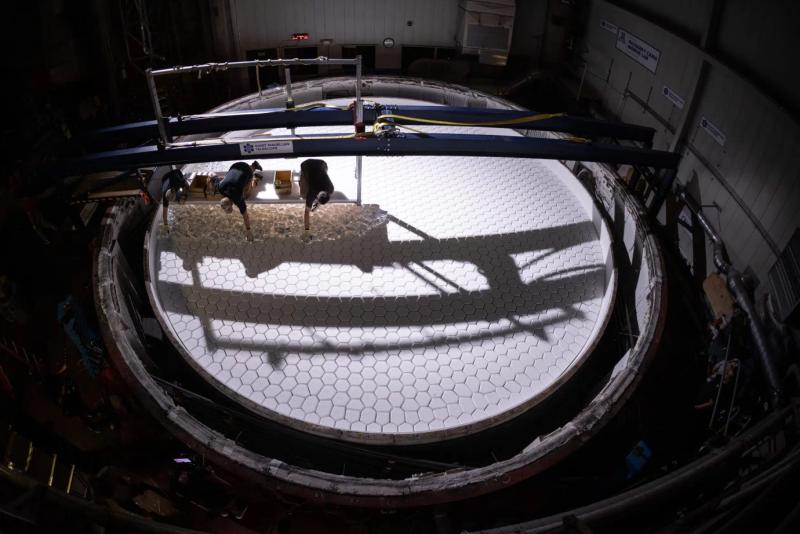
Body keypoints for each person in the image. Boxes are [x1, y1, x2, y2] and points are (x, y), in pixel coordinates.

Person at [208, 161, 262, 241]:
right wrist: (210, 185)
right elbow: (211, 176)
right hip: (235, 166)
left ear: (232, 203)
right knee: (237, 176)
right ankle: (254, 165)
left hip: (247, 171)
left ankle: (256, 178)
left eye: (229, 208)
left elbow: (246, 217)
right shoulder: (220, 187)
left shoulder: (238, 198)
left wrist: (248, 230)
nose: (230, 210)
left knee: (247, 194)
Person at [299, 159, 334, 238]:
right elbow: (306, 212)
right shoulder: (311, 193)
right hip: (306, 164)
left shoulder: (330, 188)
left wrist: (317, 205)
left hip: (322, 163)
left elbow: (323, 196)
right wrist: (307, 230)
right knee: (303, 194)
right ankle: (302, 175)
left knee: (321, 172)